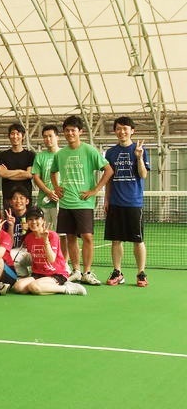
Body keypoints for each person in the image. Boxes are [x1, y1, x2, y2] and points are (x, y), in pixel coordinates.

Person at [51, 115, 114, 285]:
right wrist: (56, 187)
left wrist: (95, 190)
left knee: (87, 237)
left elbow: (108, 170)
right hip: (65, 203)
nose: (70, 133)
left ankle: (87, 272)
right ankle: (76, 271)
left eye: (73, 130)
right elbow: (53, 172)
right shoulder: (60, 154)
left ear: (80, 132)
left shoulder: (89, 150)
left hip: (84, 202)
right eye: (67, 130)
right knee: (70, 237)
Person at [104, 116, 150, 287]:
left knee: (138, 241)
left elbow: (143, 175)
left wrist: (139, 157)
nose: (122, 131)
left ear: (132, 131)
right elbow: (109, 178)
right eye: (118, 128)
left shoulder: (140, 150)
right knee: (116, 240)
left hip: (134, 203)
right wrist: (106, 199)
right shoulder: (110, 153)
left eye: (125, 128)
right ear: (115, 131)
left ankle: (141, 273)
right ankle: (118, 272)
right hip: (115, 202)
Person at [12, 207, 86, 296]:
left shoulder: (52, 235)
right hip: (38, 273)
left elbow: (51, 259)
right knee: (18, 287)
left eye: (37, 218)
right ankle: (45, 286)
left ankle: (66, 288)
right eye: (30, 219)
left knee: (34, 286)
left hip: (56, 273)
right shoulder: (28, 238)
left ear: (43, 220)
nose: (34, 222)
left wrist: (45, 240)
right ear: (27, 222)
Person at [31, 124, 67, 261]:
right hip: (44, 202)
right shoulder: (40, 157)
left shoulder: (65, 154)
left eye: (50, 136)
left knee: (63, 236)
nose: (48, 139)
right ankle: (44, 262)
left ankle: (63, 264)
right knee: (43, 233)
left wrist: (58, 193)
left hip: (62, 202)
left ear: (57, 137)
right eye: (45, 137)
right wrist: (48, 192)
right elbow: (36, 177)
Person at [0, 123, 35, 208]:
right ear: (9, 136)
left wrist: (8, 173)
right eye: (12, 133)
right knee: (9, 216)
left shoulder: (30, 155)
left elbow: (29, 174)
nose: (15, 136)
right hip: (8, 197)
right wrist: (21, 171)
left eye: (18, 134)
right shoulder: (2, 155)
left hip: (25, 198)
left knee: (26, 217)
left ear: (23, 136)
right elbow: (1, 173)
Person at [3, 185, 31, 276]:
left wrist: (30, 229)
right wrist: (11, 226)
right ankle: (23, 275)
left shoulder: (33, 217)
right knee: (9, 254)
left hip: (32, 251)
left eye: (21, 198)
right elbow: (9, 244)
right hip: (16, 252)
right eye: (15, 198)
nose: (18, 201)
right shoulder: (8, 219)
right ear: (11, 202)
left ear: (27, 201)